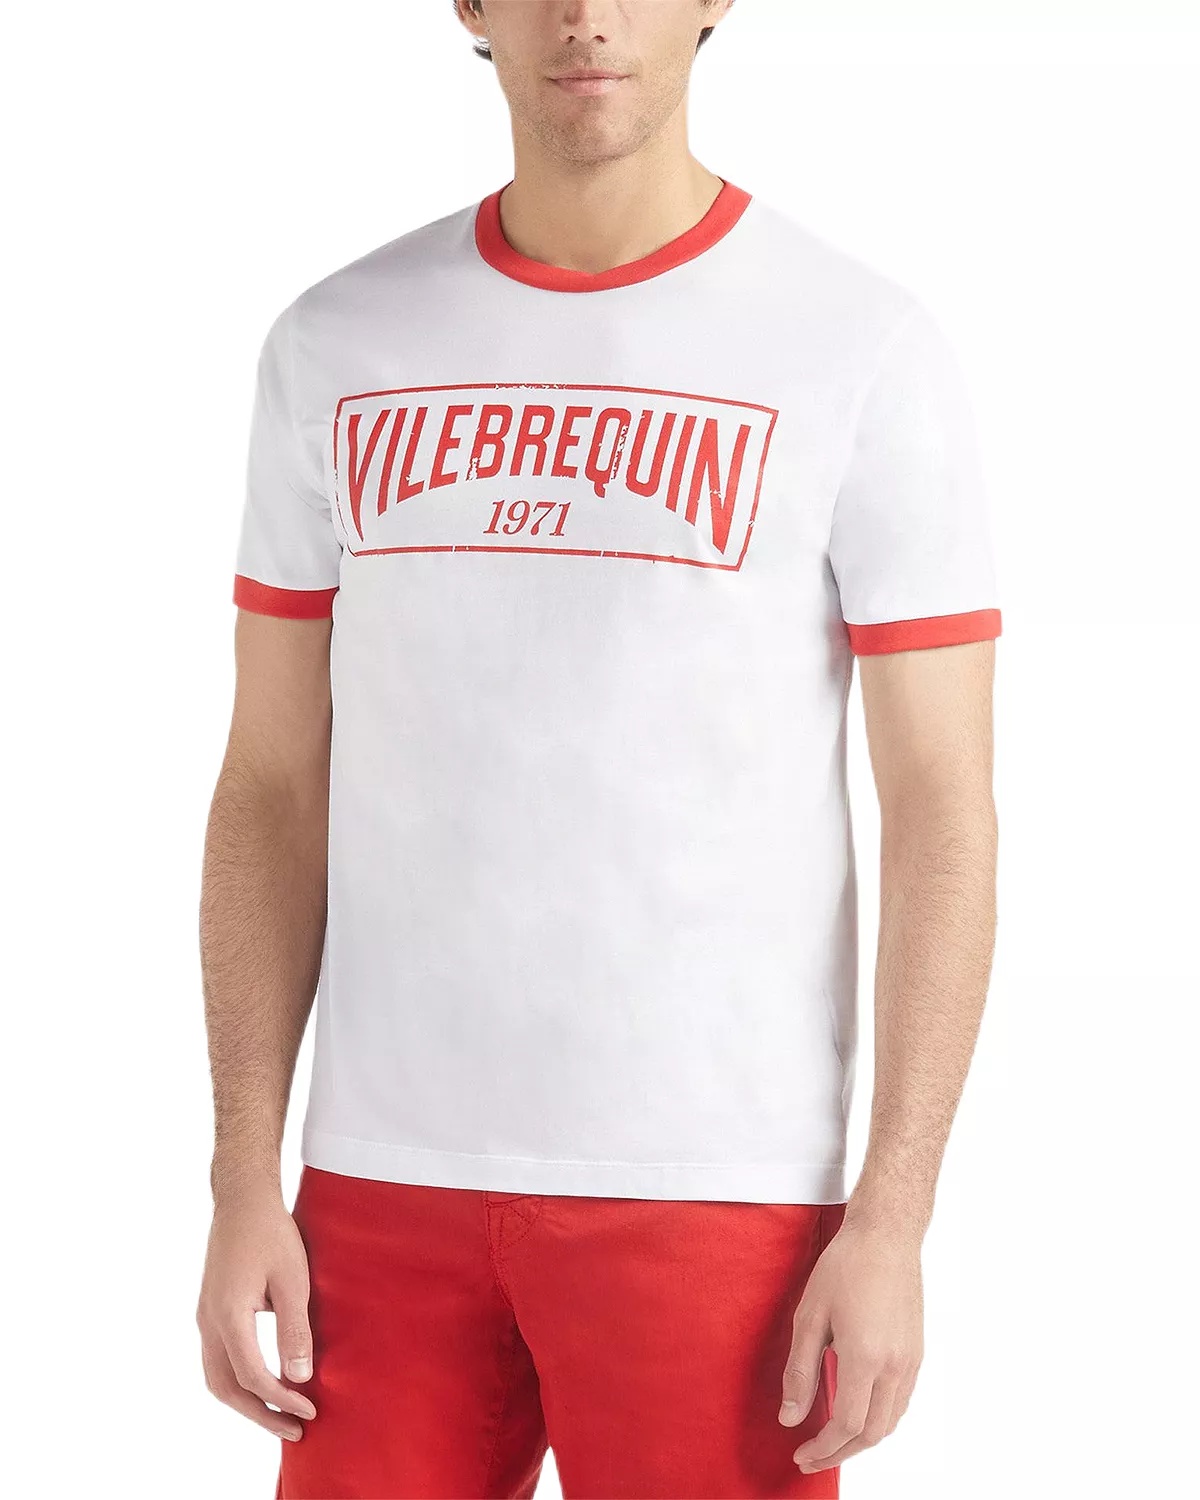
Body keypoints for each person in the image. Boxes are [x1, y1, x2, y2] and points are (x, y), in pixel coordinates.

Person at [196, 2, 1001, 1496]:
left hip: (720, 1198)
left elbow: (942, 804)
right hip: (376, 1194)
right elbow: (269, 783)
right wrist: (246, 1167)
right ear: (469, 5)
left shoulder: (858, 348)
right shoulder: (334, 342)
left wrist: (892, 1214)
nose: (585, 16)